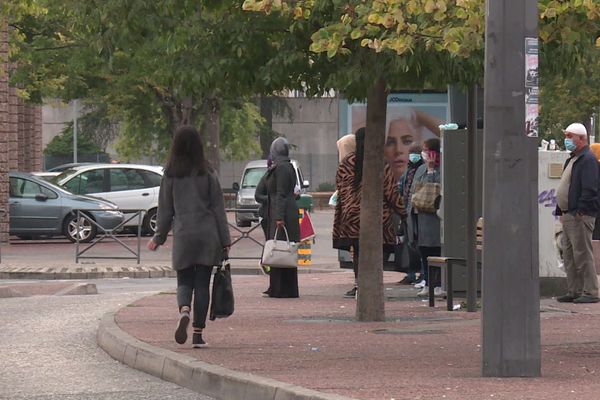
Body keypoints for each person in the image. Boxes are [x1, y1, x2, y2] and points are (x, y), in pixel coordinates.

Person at [147, 125, 231, 348]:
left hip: (184, 234)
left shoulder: (171, 174)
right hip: (207, 234)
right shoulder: (208, 172)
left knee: (184, 281)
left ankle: (184, 309)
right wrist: (225, 240)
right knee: (202, 284)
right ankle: (197, 334)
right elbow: (218, 209)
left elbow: (164, 209)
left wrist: (159, 237)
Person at [333, 127, 407, 298]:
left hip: (351, 219)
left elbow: (339, 188)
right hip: (376, 218)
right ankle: (373, 286)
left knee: (358, 253)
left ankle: (360, 285)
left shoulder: (346, 162)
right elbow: (390, 191)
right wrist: (402, 212)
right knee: (378, 253)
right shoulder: (379, 163)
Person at [555, 123, 600, 304]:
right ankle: (574, 289)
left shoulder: (587, 160)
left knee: (582, 254)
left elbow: (589, 188)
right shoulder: (574, 159)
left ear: (581, 138)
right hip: (569, 214)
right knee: (569, 254)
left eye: (570, 136)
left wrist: (581, 210)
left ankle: (591, 291)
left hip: (579, 215)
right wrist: (561, 210)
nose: (567, 139)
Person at [263, 137, 301, 298]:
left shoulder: (281, 168)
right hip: (286, 211)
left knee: (280, 250)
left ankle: (280, 288)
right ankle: (281, 287)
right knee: (282, 249)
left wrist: (279, 217)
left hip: (282, 212)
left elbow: (280, 193)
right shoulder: (287, 167)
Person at [411, 138, 443, 297]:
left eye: (426, 150)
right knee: (424, 250)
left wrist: (431, 171)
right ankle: (428, 282)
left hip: (436, 217)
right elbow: (415, 188)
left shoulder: (440, 170)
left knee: (436, 249)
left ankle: (438, 284)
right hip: (421, 216)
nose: (423, 153)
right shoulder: (420, 169)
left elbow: (435, 189)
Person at [395, 142, 424, 285]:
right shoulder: (408, 171)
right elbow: (401, 189)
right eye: (411, 152)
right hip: (407, 212)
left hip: (417, 213)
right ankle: (411, 274)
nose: (413, 155)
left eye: (415, 152)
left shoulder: (422, 170)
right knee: (409, 244)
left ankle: (422, 274)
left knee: (419, 244)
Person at [384, 109, 442, 180]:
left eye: (407, 141)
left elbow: (449, 133)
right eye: (390, 142)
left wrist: (419, 115)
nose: (398, 150)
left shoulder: (439, 170)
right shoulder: (414, 171)